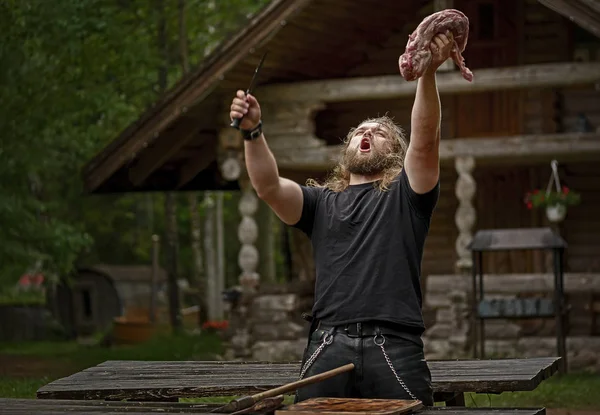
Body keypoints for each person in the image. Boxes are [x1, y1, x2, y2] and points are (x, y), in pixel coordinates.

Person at [229, 31, 455, 406]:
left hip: (393, 346)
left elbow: (426, 139)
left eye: (379, 132)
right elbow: (268, 186)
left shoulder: (408, 196)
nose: (367, 133)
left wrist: (427, 73)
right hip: (327, 345)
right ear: (347, 148)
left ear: (395, 153)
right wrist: (252, 132)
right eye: (360, 131)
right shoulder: (320, 203)